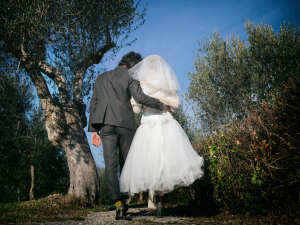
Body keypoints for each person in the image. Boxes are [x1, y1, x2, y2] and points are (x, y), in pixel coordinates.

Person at [88, 52, 171, 220]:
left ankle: (119, 208)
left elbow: (94, 104)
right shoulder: (131, 75)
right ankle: (125, 202)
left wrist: (94, 131)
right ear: (133, 66)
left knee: (110, 166)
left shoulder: (101, 77)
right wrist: (162, 105)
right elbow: (139, 97)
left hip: (106, 125)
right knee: (126, 165)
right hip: (125, 123)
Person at [119, 55, 204, 216]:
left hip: (148, 124)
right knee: (166, 162)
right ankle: (160, 202)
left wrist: (138, 102)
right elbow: (175, 105)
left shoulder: (142, 82)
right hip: (166, 122)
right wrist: (164, 103)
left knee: (150, 162)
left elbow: (136, 109)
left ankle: (154, 200)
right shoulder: (169, 82)